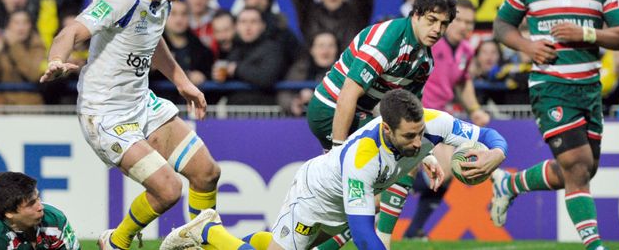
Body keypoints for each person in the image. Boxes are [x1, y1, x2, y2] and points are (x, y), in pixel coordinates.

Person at [39, 0, 252, 250]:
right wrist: (56, 59)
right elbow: (71, 32)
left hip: (141, 103)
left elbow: (152, 41)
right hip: (105, 114)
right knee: (168, 190)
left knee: (207, 172)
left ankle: (198, 242)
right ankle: (116, 241)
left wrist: (182, 81)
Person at [160, 89, 507, 250]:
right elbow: (364, 234)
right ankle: (208, 231)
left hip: (344, 209)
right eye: (410, 137)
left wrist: (496, 154)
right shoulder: (362, 160)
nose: (418, 142)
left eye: (421, 135)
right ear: (387, 130)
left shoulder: (433, 124)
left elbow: (490, 135)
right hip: (315, 199)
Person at [490, 0, 619, 250]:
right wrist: (527, 46)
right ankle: (594, 245)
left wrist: (585, 32)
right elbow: (501, 26)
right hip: (550, 86)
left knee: (583, 170)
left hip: (589, 89)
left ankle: (510, 185)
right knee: (576, 164)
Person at [306, 0, 456, 249]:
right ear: (416, 15)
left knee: (363, 202)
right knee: (400, 163)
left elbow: (406, 114)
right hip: (330, 110)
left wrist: (426, 154)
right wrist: (339, 154)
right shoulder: (388, 38)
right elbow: (348, 95)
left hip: (359, 114)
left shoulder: (424, 61)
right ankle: (384, 241)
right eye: (432, 20)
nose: (437, 30)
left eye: (444, 24)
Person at [403, 0, 489, 240]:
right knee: (447, 169)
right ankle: (396, 187)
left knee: (446, 174)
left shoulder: (465, 50)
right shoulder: (429, 43)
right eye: (460, 20)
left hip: (441, 116)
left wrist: (474, 109)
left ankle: (413, 230)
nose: (464, 26)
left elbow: (463, 81)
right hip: (418, 113)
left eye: (470, 23)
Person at [0, 171, 80, 250]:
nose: (40, 207)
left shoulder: (54, 219)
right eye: (31, 203)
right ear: (9, 213)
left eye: (38, 198)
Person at [0, 9, 45, 105]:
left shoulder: (37, 46)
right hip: (4, 107)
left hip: (30, 107)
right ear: (8, 26)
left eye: (25, 23)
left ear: (30, 26)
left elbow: (34, 75)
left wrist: (15, 45)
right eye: (16, 23)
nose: (21, 27)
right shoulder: (0, 45)